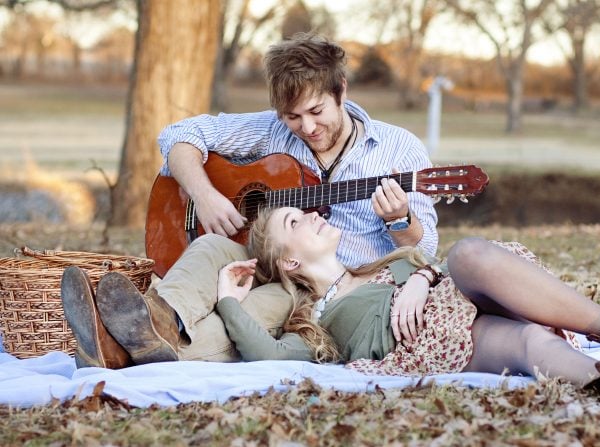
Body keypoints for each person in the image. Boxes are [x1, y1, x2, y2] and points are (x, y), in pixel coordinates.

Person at [60, 33, 438, 369]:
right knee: (209, 245)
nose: (307, 128)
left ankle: (114, 349)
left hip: (325, 291)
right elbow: (179, 134)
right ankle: (160, 317)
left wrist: (399, 220)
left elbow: (426, 251)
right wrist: (205, 196)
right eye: (293, 116)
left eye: (317, 111)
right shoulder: (271, 130)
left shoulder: (398, 149)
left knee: (249, 314)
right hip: (270, 255)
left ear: (341, 90)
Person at [210, 206, 600, 396]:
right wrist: (229, 301)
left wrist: (420, 279)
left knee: (469, 253)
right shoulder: (314, 320)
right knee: (528, 341)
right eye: (294, 224)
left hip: (460, 291)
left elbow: (434, 265)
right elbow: (267, 355)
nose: (310, 215)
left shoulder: (379, 264)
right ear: (289, 265)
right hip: (438, 342)